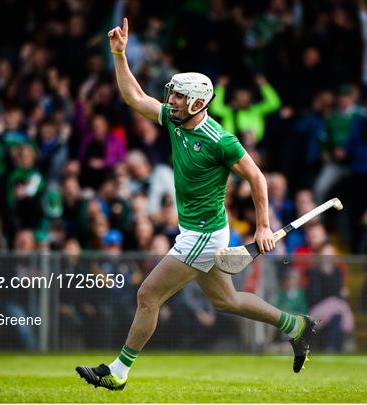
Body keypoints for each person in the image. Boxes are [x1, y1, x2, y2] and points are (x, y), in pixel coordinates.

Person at [74, 18, 317, 391]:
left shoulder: (220, 139)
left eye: (177, 97)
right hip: (197, 230)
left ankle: (118, 372)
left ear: (198, 102)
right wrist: (120, 55)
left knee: (147, 295)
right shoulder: (174, 121)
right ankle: (295, 325)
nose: (170, 101)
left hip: (204, 235)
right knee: (226, 300)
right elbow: (135, 97)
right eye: (171, 95)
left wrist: (263, 225)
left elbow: (257, 177)